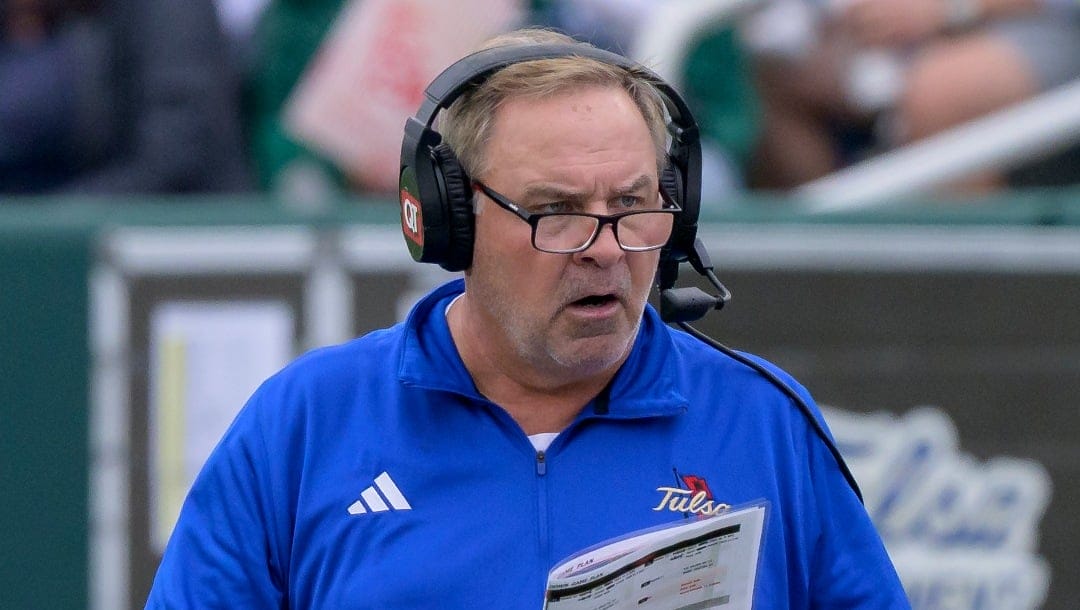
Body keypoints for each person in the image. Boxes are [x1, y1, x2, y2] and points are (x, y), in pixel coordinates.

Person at [145, 28, 910, 608]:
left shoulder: (767, 422)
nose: (605, 249)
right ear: (451, 221)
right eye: (556, 211)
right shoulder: (303, 424)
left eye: (632, 204)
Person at [745, 0, 1080, 191]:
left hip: (1042, 22)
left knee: (942, 92)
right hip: (867, 46)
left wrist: (947, 9)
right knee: (776, 78)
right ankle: (819, 282)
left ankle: (966, 299)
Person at [0, 0, 252, 195]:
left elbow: (175, 153)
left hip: (195, 239)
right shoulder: (78, 21)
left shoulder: (169, 10)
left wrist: (60, 212)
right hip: (118, 221)